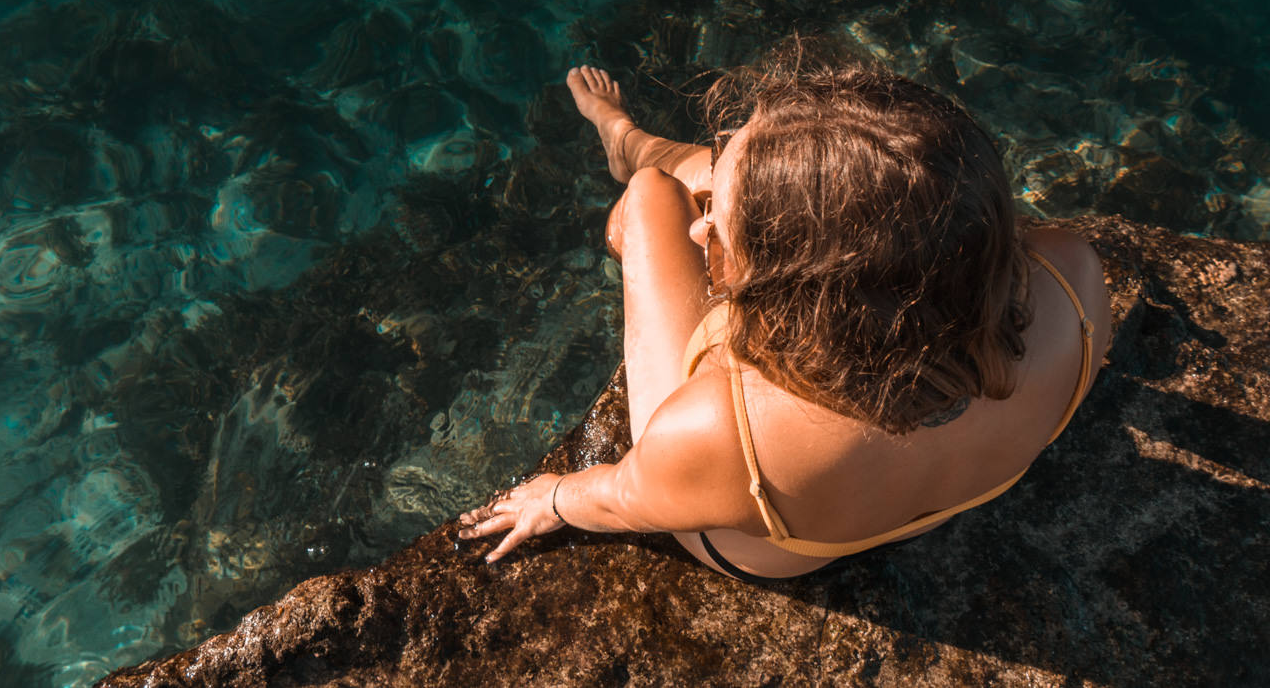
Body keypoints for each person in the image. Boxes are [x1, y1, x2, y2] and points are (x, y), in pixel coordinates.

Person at [458, 40, 1111, 582]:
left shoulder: (723, 431)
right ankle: (633, 138)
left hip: (778, 549)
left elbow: (625, 495)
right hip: (971, 477)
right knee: (794, 185)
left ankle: (626, 146)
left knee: (654, 196)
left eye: (717, 225)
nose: (700, 231)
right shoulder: (1072, 279)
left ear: (797, 293)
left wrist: (552, 497)